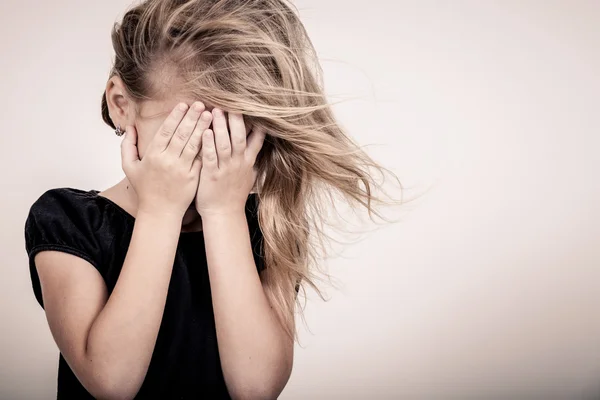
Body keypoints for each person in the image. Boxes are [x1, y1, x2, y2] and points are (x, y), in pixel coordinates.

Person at [24, 0, 405, 398]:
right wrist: (161, 211)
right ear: (121, 105)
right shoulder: (67, 222)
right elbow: (111, 382)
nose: (211, 158)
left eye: (232, 136)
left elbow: (256, 388)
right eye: (189, 134)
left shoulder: (268, 223)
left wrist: (224, 213)